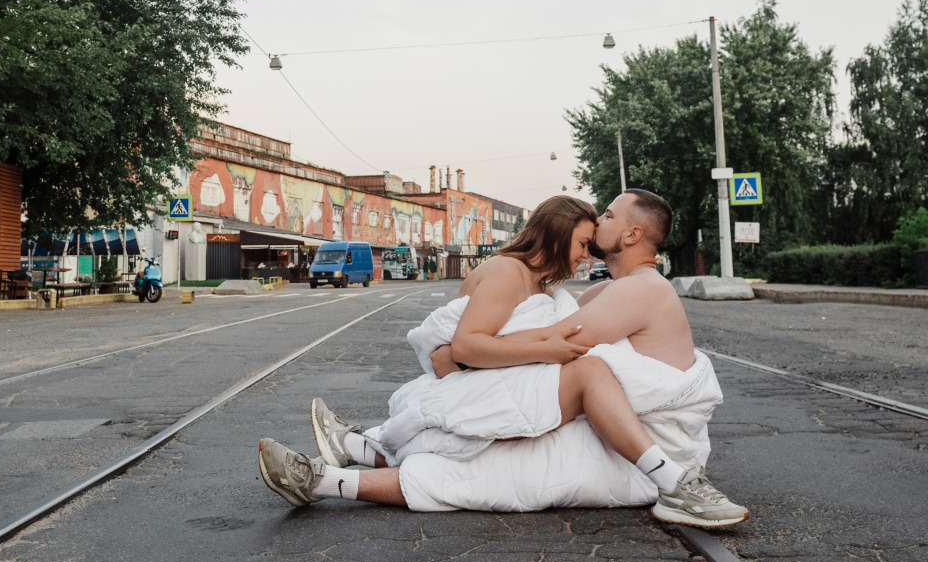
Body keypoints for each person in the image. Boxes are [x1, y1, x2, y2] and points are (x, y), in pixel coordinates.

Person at [258, 189, 747, 527]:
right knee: (482, 456)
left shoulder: (641, 288)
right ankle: (343, 465)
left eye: (611, 218)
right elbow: (545, 330)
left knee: (496, 455)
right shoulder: (613, 288)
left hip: (646, 439)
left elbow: (557, 340)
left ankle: (678, 486)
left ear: (633, 235)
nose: (600, 222)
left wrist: (464, 352)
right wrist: (472, 346)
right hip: (606, 428)